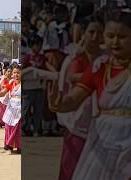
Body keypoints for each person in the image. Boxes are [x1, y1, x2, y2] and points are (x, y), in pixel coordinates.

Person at [49, 10, 131, 180]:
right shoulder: (100, 67)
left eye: (122, 37)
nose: (115, 42)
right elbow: (74, 98)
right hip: (102, 137)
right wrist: (59, 104)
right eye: (110, 36)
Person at [57, 15, 104, 180]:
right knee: (71, 170)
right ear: (82, 33)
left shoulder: (109, 59)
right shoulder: (75, 58)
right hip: (76, 124)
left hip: (102, 128)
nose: (95, 37)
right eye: (91, 32)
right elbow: (70, 77)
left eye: (100, 33)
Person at [0, 64, 21, 154]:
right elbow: (2, 93)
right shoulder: (11, 83)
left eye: (18, 73)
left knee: (18, 128)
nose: (16, 75)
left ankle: (19, 146)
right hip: (11, 108)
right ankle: (9, 146)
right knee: (9, 127)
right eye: (14, 73)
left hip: (21, 109)